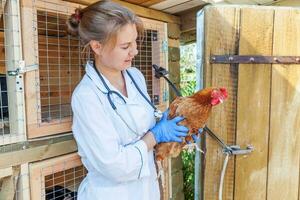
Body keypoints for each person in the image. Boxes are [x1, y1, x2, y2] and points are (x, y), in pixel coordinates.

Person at [69, 1, 189, 199]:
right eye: (125, 46)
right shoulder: (86, 97)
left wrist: (170, 123)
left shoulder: (135, 76)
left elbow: (139, 126)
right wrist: (156, 135)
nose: (135, 51)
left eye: (134, 42)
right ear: (97, 47)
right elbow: (114, 165)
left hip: (147, 190)